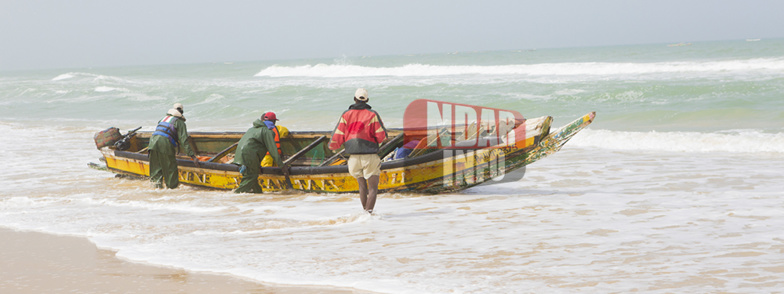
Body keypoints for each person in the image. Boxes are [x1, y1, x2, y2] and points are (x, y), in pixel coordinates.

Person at [328, 88, 387, 213]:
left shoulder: (346, 114)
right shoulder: (372, 114)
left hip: (353, 158)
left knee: (362, 186)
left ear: (354, 99)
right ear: (367, 100)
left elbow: (337, 136)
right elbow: (382, 136)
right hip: (370, 157)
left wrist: (333, 147)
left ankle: (365, 216)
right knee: (372, 189)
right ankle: (368, 215)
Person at [148, 103, 199, 189]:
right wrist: (193, 156)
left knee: (156, 172)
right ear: (181, 112)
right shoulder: (179, 122)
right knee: (170, 170)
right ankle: (172, 191)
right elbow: (184, 141)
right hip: (164, 144)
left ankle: (155, 193)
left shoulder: (163, 119)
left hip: (152, 142)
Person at [232, 114, 282, 193]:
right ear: (273, 121)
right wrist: (281, 165)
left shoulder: (251, 129)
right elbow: (273, 150)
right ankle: (235, 196)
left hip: (240, 155)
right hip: (249, 155)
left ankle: (258, 193)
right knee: (251, 177)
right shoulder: (267, 131)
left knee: (253, 178)